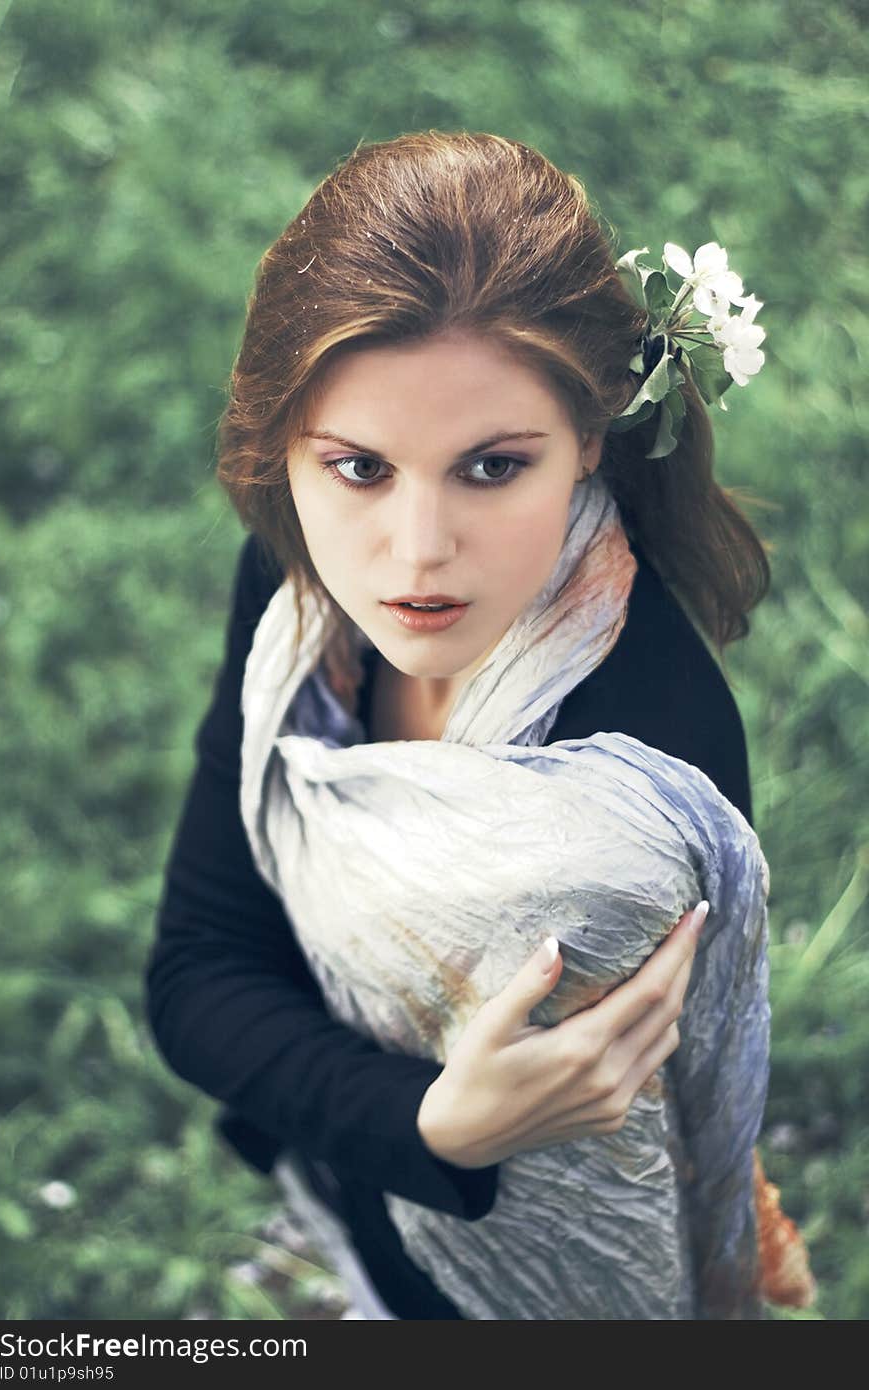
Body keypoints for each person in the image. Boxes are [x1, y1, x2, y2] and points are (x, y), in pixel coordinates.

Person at [146, 132, 795, 1320]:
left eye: (492, 467)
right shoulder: (301, 592)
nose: (415, 549)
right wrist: (429, 1121)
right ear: (281, 449)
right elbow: (199, 970)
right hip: (375, 1185)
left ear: (590, 439)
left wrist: (402, 1124)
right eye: (356, 467)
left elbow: (599, 1199)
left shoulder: (624, 797)